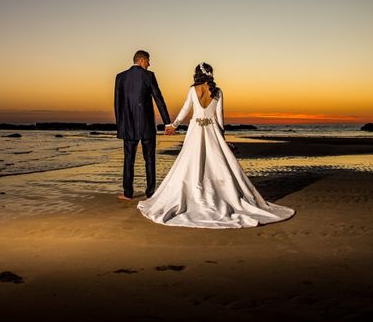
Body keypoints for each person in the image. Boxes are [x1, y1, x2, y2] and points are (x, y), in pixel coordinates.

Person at [137, 62, 295, 228]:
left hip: (196, 131)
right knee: (216, 162)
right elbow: (220, 117)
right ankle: (219, 192)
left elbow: (185, 110)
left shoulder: (193, 90)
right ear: (210, 74)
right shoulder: (217, 91)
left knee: (191, 162)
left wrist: (173, 126)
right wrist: (222, 137)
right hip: (212, 131)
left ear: (197, 74)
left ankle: (195, 192)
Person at [114, 50, 173, 200]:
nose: (149, 64)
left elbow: (117, 104)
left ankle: (128, 193)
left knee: (128, 159)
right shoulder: (148, 76)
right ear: (141, 60)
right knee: (150, 159)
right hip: (146, 125)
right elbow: (158, 99)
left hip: (128, 126)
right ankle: (151, 193)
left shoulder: (120, 77)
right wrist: (167, 122)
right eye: (148, 61)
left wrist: (121, 126)